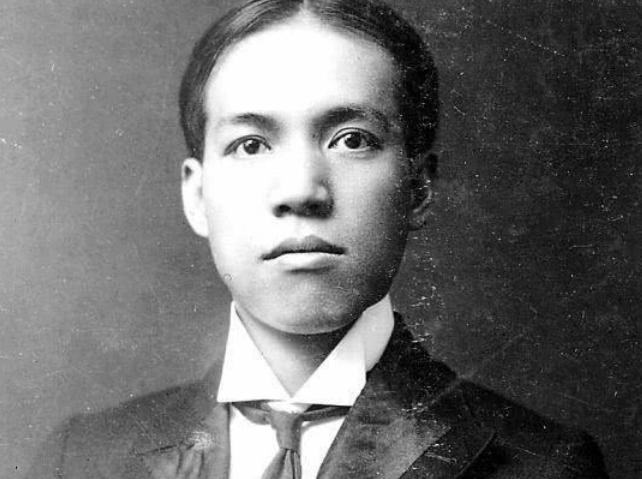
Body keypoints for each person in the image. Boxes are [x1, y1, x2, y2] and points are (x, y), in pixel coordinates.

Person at [27, 0, 609, 477]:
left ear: (418, 189)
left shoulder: (543, 464)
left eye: (352, 139)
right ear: (197, 195)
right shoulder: (79, 459)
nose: (302, 190)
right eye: (251, 145)